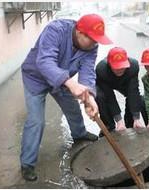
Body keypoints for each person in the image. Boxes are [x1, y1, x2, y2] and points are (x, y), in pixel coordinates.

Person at [20, 14, 112, 181]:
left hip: (62, 81)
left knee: (72, 108)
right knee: (36, 121)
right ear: (79, 32)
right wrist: (70, 83)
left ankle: (79, 133)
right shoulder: (56, 30)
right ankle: (27, 163)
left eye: (96, 40)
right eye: (91, 39)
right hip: (36, 78)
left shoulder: (92, 46)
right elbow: (45, 62)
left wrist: (89, 96)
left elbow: (87, 72)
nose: (94, 43)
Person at [95, 47, 148, 134]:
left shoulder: (133, 66)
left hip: (125, 82)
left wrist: (136, 118)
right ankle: (109, 127)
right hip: (107, 82)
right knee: (100, 97)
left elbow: (133, 92)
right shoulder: (101, 69)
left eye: (122, 66)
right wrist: (119, 120)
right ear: (109, 64)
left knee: (134, 97)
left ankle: (130, 123)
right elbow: (110, 96)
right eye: (116, 67)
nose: (119, 69)